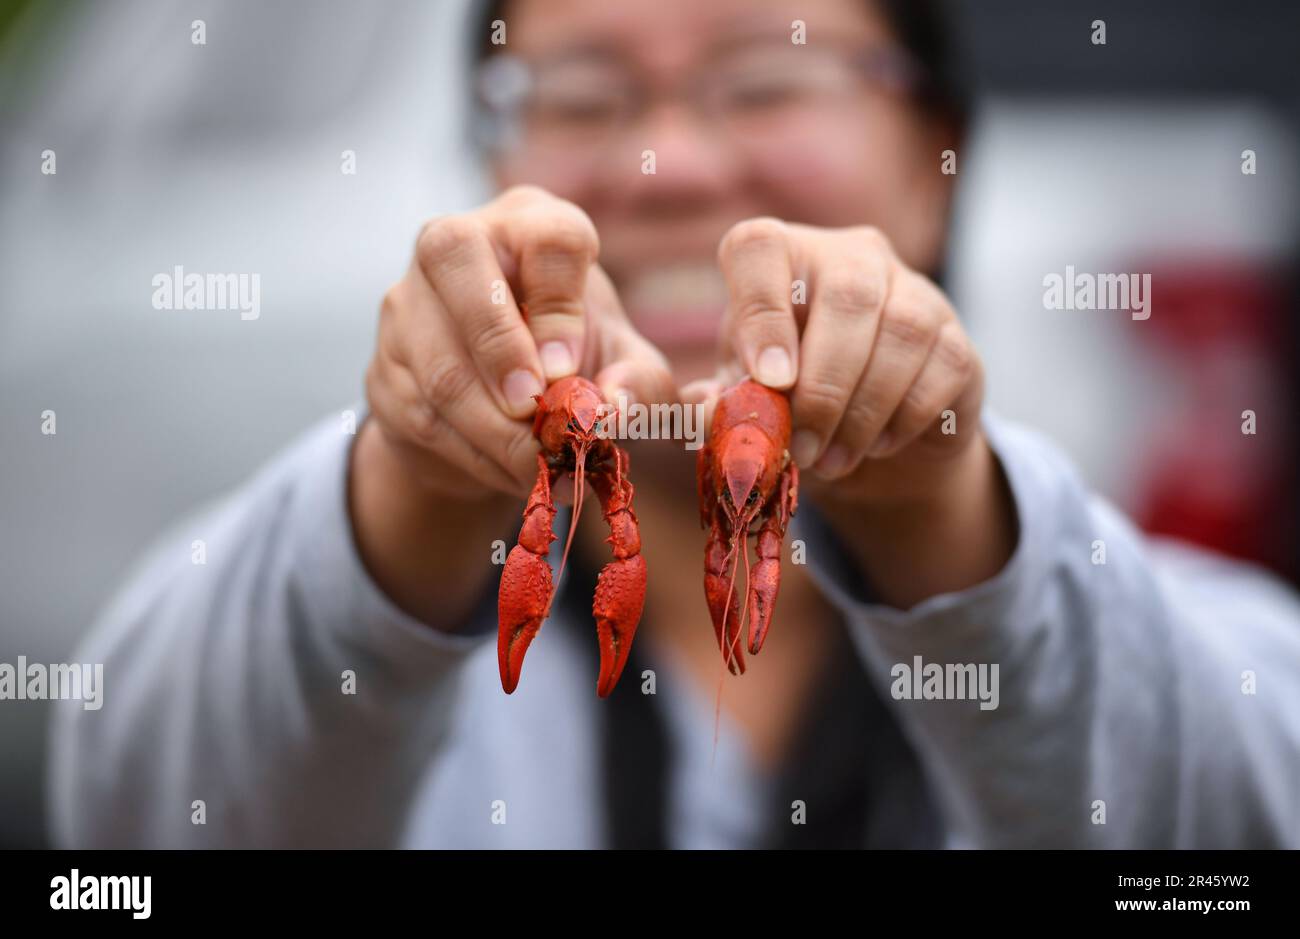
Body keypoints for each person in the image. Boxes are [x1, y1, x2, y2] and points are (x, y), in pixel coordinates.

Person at [49, 0, 1300, 848]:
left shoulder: (1218, 657)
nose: (669, 165)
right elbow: (136, 813)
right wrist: (416, 491)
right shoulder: (318, 601)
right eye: (583, 96)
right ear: (492, 164)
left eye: (764, 80)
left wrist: (945, 516)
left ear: (937, 161)